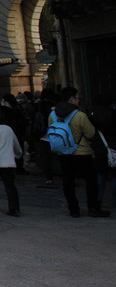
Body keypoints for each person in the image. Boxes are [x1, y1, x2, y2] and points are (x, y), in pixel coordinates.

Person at [49, 87, 110, 218]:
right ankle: (93, 207)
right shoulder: (80, 115)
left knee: (68, 181)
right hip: (82, 152)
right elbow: (90, 133)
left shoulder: (52, 115)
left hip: (63, 152)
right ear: (71, 99)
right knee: (91, 181)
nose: (78, 100)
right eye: (77, 98)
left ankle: (73, 209)